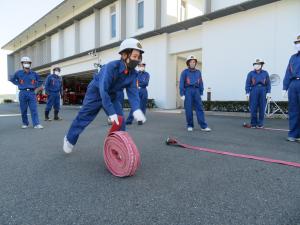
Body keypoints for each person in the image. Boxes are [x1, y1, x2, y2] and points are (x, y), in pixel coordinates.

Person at [63, 38, 146, 153]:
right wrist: (111, 113)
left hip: (112, 95)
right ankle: (69, 139)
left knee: (119, 121)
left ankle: (118, 148)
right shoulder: (111, 67)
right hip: (96, 92)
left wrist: (137, 109)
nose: (137, 60)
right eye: (134, 56)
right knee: (84, 117)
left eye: (139, 57)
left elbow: (133, 92)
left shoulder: (133, 73)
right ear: (124, 55)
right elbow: (103, 90)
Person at [9, 56, 43, 129]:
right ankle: (25, 123)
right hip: (22, 93)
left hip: (31, 93)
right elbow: (12, 79)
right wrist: (18, 83)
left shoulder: (34, 73)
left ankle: (36, 124)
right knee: (23, 109)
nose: (26, 64)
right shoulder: (18, 73)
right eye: (25, 62)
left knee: (34, 109)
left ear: (30, 64)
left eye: (28, 63)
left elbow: (40, 81)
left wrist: (35, 86)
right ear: (22, 64)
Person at [179, 55, 211, 132]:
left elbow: (201, 83)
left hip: (196, 91)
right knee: (188, 109)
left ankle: (203, 126)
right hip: (188, 91)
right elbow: (181, 83)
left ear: (195, 63)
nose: (192, 63)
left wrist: (201, 92)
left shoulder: (198, 72)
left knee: (199, 108)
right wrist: (182, 94)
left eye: (194, 62)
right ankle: (190, 125)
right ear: (188, 63)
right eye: (191, 62)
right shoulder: (184, 72)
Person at [283, 34, 300, 142]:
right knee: (293, 110)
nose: (298, 45)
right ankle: (293, 134)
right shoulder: (293, 57)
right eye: (297, 43)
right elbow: (288, 72)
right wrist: (285, 87)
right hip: (293, 84)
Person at [245, 59, 271, 128]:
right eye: (255, 64)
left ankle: (260, 124)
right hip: (254, 90)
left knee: (262, 107)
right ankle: (253, 123)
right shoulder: (250, 73)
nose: (256, 65)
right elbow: (247, 83)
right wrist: (247, 92)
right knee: (253, 107)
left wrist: (268, 92)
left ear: (261, 65)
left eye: (258, 64)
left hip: (263, 90)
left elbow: (268, 83)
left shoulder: (265, 73)